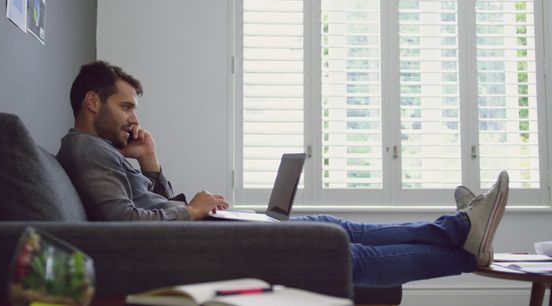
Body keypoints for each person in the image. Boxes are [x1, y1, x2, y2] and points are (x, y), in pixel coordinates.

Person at [57, 61, 509, 288]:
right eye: (126, 106)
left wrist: (152, 165)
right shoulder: (84, 149)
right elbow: (125, 227)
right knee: (346, 254)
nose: (134, 119)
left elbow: (148, 208)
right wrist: (193, 212)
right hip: (205, 252)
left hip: (209, 238)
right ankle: (466, 243)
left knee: (341, 228)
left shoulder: (103, 151)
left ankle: (459, 229)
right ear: (92, 102)